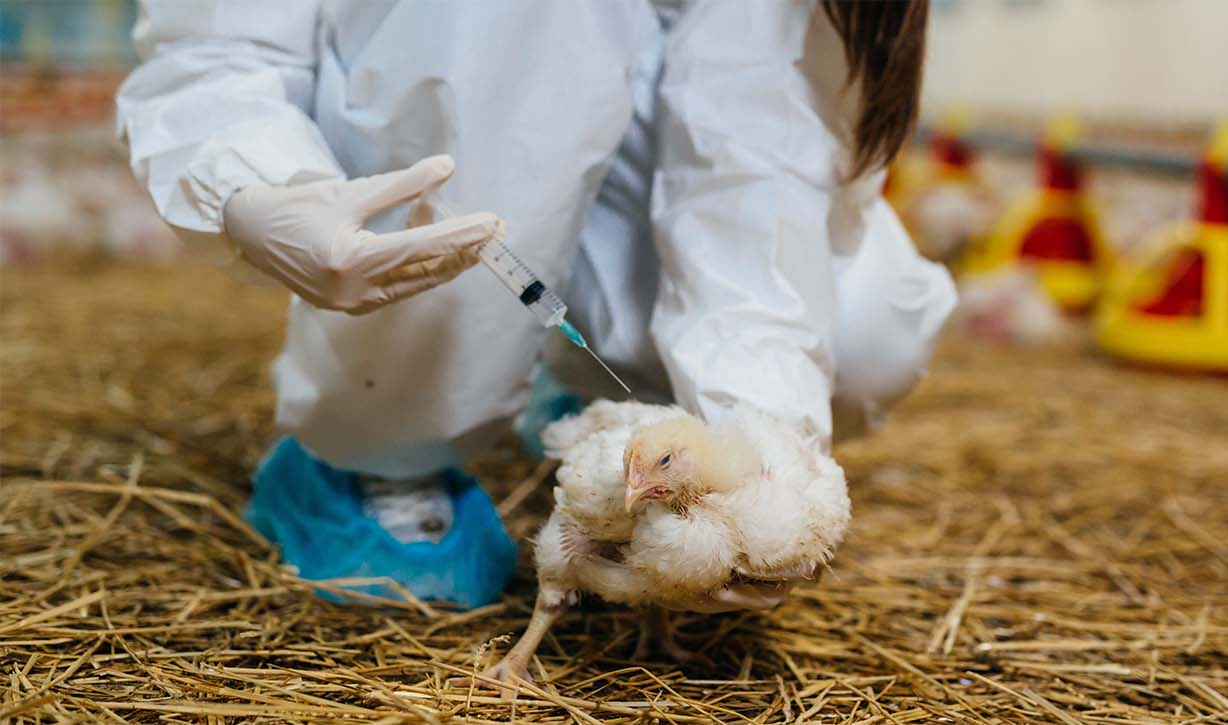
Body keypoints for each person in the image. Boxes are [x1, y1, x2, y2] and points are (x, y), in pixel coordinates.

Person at [116, 0, 955, 610]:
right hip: (450, 143)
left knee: (866, 328)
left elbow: (763, 152)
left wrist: (761, 432)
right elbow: (219, 44)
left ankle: (603, 397)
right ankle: (378, 448)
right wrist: (249, 184)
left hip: (640, 161)